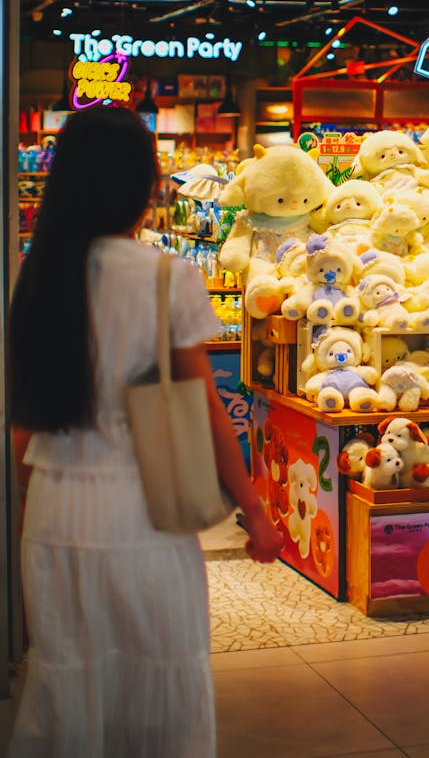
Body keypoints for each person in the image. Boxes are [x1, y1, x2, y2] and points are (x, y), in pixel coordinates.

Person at [8, 107, 282, 757]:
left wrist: (23, 509)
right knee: (157, 675)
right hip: (144, 514)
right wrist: (253, 508)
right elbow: (204, 409)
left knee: (69, 680)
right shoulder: (166, 278)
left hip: (54, 511)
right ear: (142, 184)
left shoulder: (34, 276)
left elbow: (21, 423)